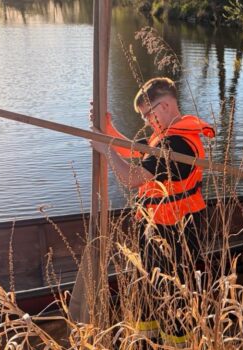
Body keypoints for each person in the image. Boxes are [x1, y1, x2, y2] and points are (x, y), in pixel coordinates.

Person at [91, 77, 215, 348]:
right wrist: (107, 128)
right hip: (157, 226)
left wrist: (107, 151)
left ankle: (176, 345)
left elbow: (133, 177)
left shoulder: (177, 144)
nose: (147, 120)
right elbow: (137, 152)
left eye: (148, 113)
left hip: (174, 233)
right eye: (143, 116)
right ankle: (145, 342)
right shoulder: (167, 136)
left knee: (172, 296)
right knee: (147, 289)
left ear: (167, 105)